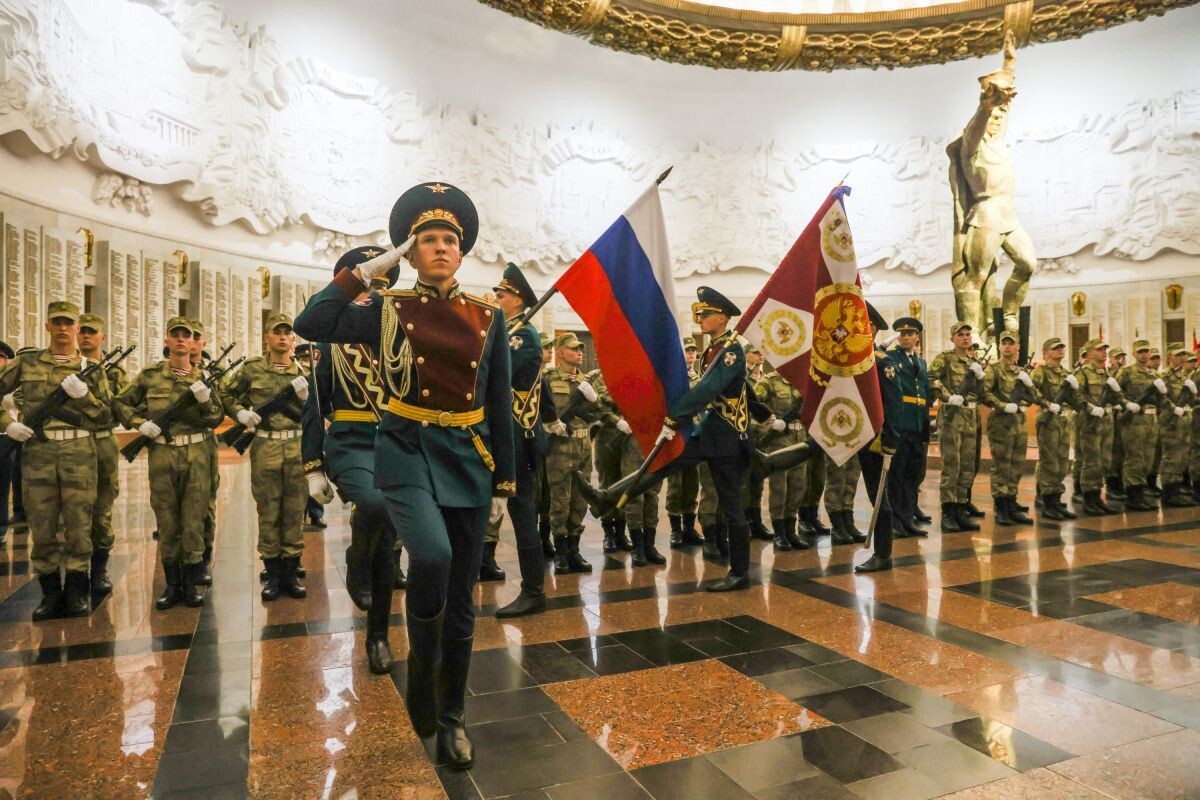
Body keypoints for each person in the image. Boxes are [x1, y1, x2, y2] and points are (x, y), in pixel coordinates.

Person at [294, 181, 515, 770]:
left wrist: (505, 484)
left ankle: (451, 718)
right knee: (433, 557)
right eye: (426, 240)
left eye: (449, 240)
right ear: (411, 253)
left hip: (469, 455)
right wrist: (370, 270)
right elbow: (311, 323)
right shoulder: (387, 310)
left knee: (463, 603)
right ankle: (420, 671)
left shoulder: (488, 318)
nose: (439, 247)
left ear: (462, 253)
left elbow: (499, 402)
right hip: (405, 449)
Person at [577, 287, 778, 592]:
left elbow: (710, 388)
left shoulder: (732, 349)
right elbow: (739, 390)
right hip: (709, 432)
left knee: (732, 505)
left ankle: (739, 573)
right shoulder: (714, 349)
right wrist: (762, 412)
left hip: (726, 439)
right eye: (699, 314)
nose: (700, 319)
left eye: (706, 314)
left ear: (722, 318)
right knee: (663, 462)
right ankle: (608, 497)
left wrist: (675, 417)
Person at [301, 245, 401, 673]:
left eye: (381, 287)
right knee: (375, 506)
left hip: (398, 445)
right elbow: (315, 405)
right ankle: (354, 563)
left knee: (390, 550)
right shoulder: (330, 340)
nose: (371, 297)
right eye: (366, 286)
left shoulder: (401, 332)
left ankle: (377, 636)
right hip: (351, 443)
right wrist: (313, 465)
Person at [0, 302, 112, 619]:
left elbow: (106, 414)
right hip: (38, 453)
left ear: (77, 328)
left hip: (80, 453)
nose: (63, 328)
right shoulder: (27, 362)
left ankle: (77, 591)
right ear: (47, 327)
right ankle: (50, 594)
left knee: (79, 526)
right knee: (43, 526)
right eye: (57, 323)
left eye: (69, 323)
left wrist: (84, 396)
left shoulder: (92, 368)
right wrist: (7, 424)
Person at [116, 317, 223, 610]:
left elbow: (215, 418)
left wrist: (203, 400)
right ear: (166, 341)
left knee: (193, 519)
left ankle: (190, 584)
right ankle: (171, 584)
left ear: (193, 343)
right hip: (163, 453)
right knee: (166, 519)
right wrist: (140, 424)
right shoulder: (150, 376)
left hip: (197, 454)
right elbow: (121, 403)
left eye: (185, 336)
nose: (180, 340)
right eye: (174, 335)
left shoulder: (203, 379)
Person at [220, 312, 310, 601]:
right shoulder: (252, 369)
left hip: (296, 446)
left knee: (295, 512)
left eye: (288, 333)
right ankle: (273, 575)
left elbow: (322, 410)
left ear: (293, 339)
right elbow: (226, 394)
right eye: (277, 332)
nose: (283, 337)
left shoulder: (304, 373)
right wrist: (240, 413)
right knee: (268, 512)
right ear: (267, 338)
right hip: (266, 446)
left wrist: (309, 399)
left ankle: (291, 571)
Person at [491, 263, 551, 618]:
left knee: (523, 512)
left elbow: (498, 378)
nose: (495, 298)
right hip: (504, 437)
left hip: (517, 440)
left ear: (517, 299)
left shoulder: (522, 336)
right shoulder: (506, 331)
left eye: (500, 294)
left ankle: (533, 589)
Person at [543, 332, 605, 574]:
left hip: (583, 446)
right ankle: (560, 551)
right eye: (573, 349)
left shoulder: (586, 382)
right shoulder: (548, 378)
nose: (580, 352)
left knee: (580, 498)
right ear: (560, 353)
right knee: (560, 499)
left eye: (580, 349)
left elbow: (597, 414)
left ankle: (574, 549)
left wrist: (594, 399)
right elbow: (541, 410)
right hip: (559, 446)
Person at [76, 313, 125, 597]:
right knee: (71, 510)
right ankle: (74, 573)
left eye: (91, 332)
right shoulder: (63, 369)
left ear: (102, 337)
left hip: (103, 441)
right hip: (72, 443)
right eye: (81, 330)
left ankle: (99, 570)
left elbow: (119, 407)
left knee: (102, 508)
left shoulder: (115, 372)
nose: (85, 335)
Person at [928, 322, 984, 532]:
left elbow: (980, 391)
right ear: (953, 339)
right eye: (960, 334)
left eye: (968, 334)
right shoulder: (945, 358)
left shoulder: (973, 361)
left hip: (971, 415)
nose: (965, 338)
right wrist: (947, 396)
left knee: (968, 466)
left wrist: (980, 377)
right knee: (952, 465)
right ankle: (948, 513)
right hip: (952, 416)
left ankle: (961, 509)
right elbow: (931, 378)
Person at [856, 303, 898, 573]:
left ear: (870, 328)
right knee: (875, 494)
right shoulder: (857, 360)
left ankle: (883, 554)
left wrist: (890, 439)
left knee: (879, 494)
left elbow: (893, 404)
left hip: (877, 438)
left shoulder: (883, 362)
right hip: (858, 434)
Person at [884, 317, 930, 538]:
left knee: (913, 475)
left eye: (910, 334)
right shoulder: (891, 357)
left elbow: (924, 394)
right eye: (901, 334)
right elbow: (873, 358)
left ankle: (907, 518)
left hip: (917, 425)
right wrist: (883, 346)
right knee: (897, 474)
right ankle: (894, 521)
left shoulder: (921, 363)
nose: (905, 337)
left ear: (917, 337)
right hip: (900, 423)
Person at [981, 330, 1033, 525]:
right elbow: (984, 393)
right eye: (1004, 343)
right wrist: (1003, 405)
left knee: (1016, 465)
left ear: (1018, 347)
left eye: (1011, 343)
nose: (1007, 346)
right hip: (1001, 423)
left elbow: (1032, 395)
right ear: (999, 346)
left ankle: (1012, 502)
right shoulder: (993, 369)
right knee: (1002, 465)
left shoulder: (1020, 371)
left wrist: (1028, 384)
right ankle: (1001, 507)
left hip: (1019, 422)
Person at [757, 366, 810, 551]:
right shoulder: (770, 381)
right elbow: (754, 403)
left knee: (798, 485)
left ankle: (791, 530)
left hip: (800, 437)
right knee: (779, 486)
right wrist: (770, 422)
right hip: (779, 439)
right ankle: (779, 532)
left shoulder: (805, 380)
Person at [1030, 338, 1077, 520]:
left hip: (1063, 419)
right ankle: (1048, 501)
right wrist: (1047, 404)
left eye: (1061, 347)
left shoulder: (1066, 373)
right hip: (1048, 418)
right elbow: (1032, 390)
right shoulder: (1040, 371)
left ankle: (1056, 499)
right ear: (1046, 352)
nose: (1060, 350)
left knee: (1063, 461)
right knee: (1050, 461)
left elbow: (1074, 397)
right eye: (1055, 348)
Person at [1072, 338, 1120, 515]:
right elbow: (1075, 394)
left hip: (1106, 420)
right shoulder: (1083, 373)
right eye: (1099, 349)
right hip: (1090, 421)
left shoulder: (1106, 374)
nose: (1103, 352)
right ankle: (1089, 498)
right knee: (1091, 461)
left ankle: (1098, 496)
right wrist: (1089, 408)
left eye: (1105, 349)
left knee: (1104, 460)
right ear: (1089, 352)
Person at [665, 340, 704, 549]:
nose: (691, 355)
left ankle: (689, 528)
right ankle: (675, 530)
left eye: (693, 352)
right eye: (687, 352)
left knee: (692, 483)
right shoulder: (671, 378)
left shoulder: (699, 378)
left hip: (694, 436)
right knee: (675, 485)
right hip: (677, 435)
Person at [1115, 340, 1162, 511]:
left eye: (1146, 351)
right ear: (1134, 354)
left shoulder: (1155, 375)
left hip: (1151, 419)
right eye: (1140, 352)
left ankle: (1141, 492)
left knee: (1148, 459)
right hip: (1134, 419)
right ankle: (1133, 495)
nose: (1144, 355)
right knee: (1135, 457)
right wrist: (1126, 405)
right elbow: (1114, 392)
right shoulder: (1127, 372)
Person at [295, 343, 327, 531]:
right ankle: (298, 514)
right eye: (305, 359)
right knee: (299, 479)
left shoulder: (318, 375)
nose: (308, 362)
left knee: (315, 470)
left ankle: (316, 514)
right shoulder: (296, 375)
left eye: (310, 359)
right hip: (295, 432)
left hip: (313, 430)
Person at [1159, 344, 1195, 507]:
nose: (1182, 358)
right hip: (1171, 421)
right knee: (1171, 457)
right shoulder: (1164, 376)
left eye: (1183, 354)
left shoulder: (1183, 376)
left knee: (1182, 456)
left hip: (1183, 421)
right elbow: (1161, 399)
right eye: (1178, 355)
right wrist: (1174, 408)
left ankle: (1177, 488)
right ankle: (1169, 491)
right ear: (1170, 357)